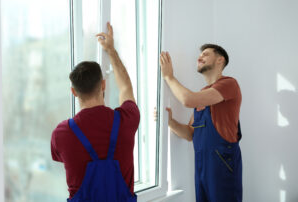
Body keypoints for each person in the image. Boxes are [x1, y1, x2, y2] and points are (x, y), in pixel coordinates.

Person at [51, 23, 139, 201]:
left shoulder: (62, 133)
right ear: (104, 85)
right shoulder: (126, 120)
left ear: (74, 92)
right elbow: (126, 87)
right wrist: (111, 50)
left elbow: (60, 158)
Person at [160, 44, 242, 202]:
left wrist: (169, 77)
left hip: (223, 164)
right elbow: (190, 134)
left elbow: (188, 100)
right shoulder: (203, 94)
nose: (199, 57)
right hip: (202, 166)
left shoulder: (229, 84)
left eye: (205, 54)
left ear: (220, 60)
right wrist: (169, 122)